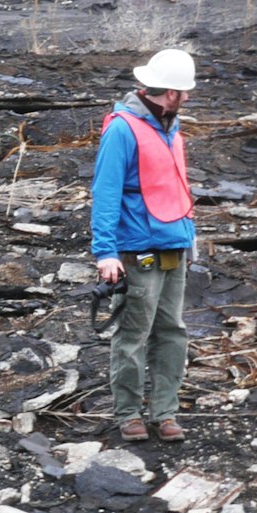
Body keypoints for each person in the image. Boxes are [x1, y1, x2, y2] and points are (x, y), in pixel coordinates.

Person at [90, 48, 197, 442]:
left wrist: (189, 239)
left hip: (174, 246)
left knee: (172, 331)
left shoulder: (172, 128)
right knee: (133, 334)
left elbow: (174, 188)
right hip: (137, 250)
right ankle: (129, 414)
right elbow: (105, 193)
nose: (187, 97)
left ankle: (165, 413)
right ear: (169, 92)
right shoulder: (122, 129)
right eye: (183, 92)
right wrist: (106, 252)